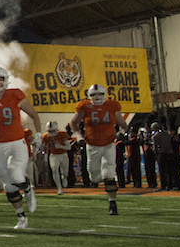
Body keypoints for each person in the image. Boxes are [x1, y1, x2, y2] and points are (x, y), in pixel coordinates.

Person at [0, 66, 41, 229]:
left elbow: (33, 114)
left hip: (16, 142)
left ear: (5, 80)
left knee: (17, 174)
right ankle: (21, 218)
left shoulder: (15, 94)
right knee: (8, 186)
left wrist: (39, 135)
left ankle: (28, 189)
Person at [70, 84, 128, 215]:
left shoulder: (112, 106)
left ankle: (112, 203)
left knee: (109, 174)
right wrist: (78, 136)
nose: (97, 97)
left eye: (100, 94)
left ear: (105, 94)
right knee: (94, 177)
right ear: (89, 96)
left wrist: (123, 132)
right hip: (92, 145)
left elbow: (122, 122)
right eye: (93, 95)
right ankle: (99, 180)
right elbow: (73, 123)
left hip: (109, 144)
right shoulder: (84, 106)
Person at [42, 121, 72, 195]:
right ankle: (59, 188)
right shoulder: (46, 136)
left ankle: (64, 177)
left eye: (52, 131)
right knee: (54, 169)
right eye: (50, 131)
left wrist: (61, 146)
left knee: (65, 172)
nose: (51, 132)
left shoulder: (62, 134)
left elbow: (69, 147)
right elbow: (44, 146)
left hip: (63, 154)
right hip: (54, 155)